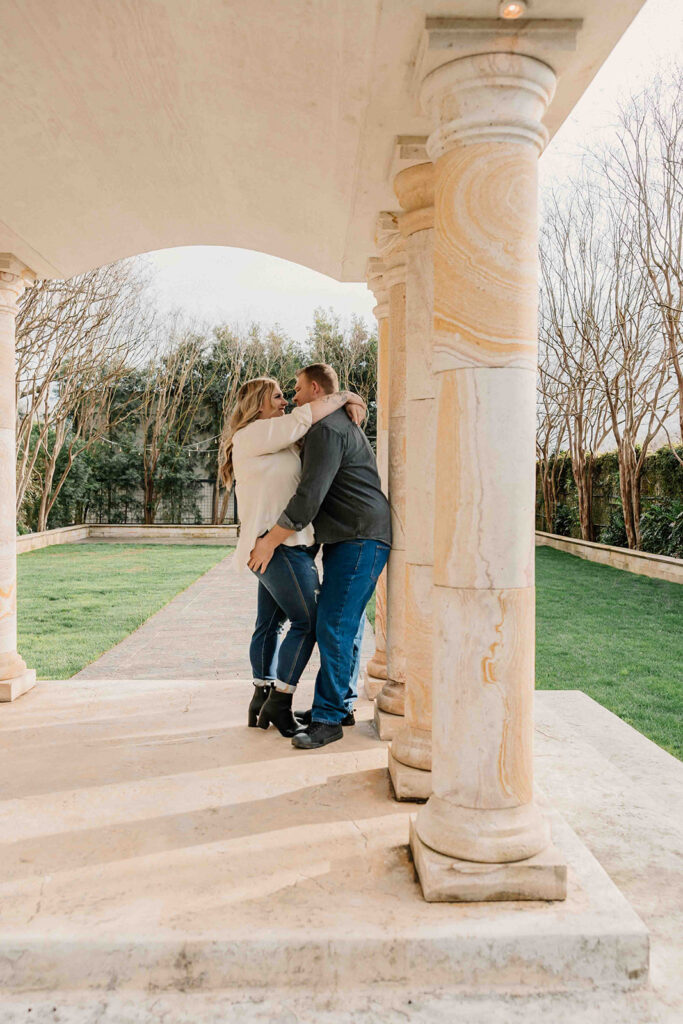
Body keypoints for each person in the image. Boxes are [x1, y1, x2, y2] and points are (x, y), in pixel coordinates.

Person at [248, 363, 391, 749]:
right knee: (348, 622)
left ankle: (328, 718)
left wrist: (269, 541)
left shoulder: (327, 430)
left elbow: (307, 499)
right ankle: (340, 705)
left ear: (314, 389)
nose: (293, 398)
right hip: (354, 536)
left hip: (359, 537)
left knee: (333, 623)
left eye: (295, 390)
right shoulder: (329, 426)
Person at [218, 376, 366, 737]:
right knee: (310, 622)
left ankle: (261, 695)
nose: (285, 402)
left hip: (283, 545)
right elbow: (304, 417)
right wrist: (348, 395)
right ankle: (280, 701)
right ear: (258, 404)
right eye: (279, 396)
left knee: (270, 624)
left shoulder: (278, 441)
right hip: (276, 546)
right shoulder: (252, 434)